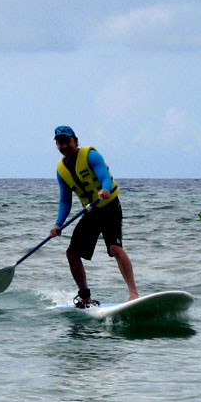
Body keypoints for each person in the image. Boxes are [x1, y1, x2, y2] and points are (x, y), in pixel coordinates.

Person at [49, 126, 138, 308]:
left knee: (114, 248)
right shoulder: (61, 169)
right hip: (90, 211)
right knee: (72, 253)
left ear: (75, 141)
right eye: (60, 142)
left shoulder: (91, 155)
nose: (64, 145)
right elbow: (65, 201)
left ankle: (133, 293)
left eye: (67, 141)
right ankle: (84, 297)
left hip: (109, 206)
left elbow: (104, 177)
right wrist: (58, 224)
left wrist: (105, 189)